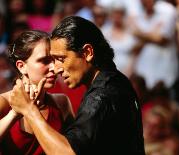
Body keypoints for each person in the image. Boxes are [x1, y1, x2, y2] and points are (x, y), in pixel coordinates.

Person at [9, 16, 145, 155]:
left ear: (87, 53)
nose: (56, 69)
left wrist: (30, 111)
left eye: (61, 59)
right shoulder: (118, 81)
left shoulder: (100, 97)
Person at [0, 30, 74, 155]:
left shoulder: (62, 103)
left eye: (54, 60)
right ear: (21, 66)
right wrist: (14, 113)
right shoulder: (3, 103)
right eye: (44, 61)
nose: (54, 68)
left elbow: (75, 149)